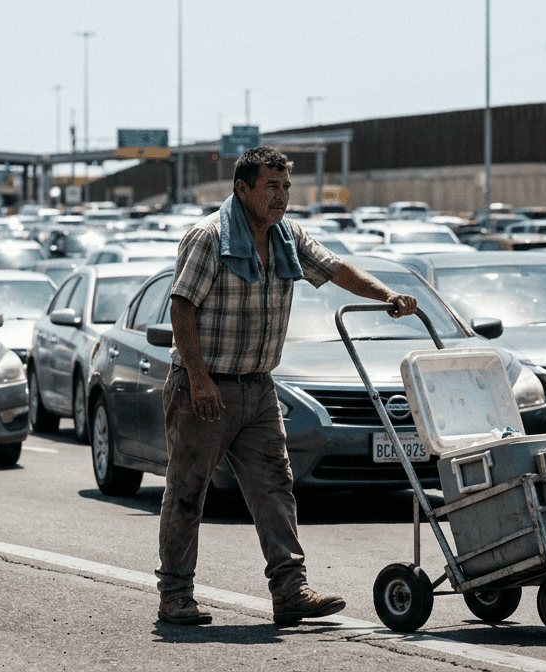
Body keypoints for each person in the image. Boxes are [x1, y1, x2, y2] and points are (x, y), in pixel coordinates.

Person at [156, 146, 417, 626]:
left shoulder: (286, 236)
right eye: (271, 187)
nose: (281, 197)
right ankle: (174, 596)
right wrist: (198, 379)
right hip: (206, 388)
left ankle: (291, 591)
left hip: (258, 388)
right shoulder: (209, 237)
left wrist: (386, 295)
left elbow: (336, 269)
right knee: (187, 493)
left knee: (275, 488)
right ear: (243, 189)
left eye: (286, 187)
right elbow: (181, 308)